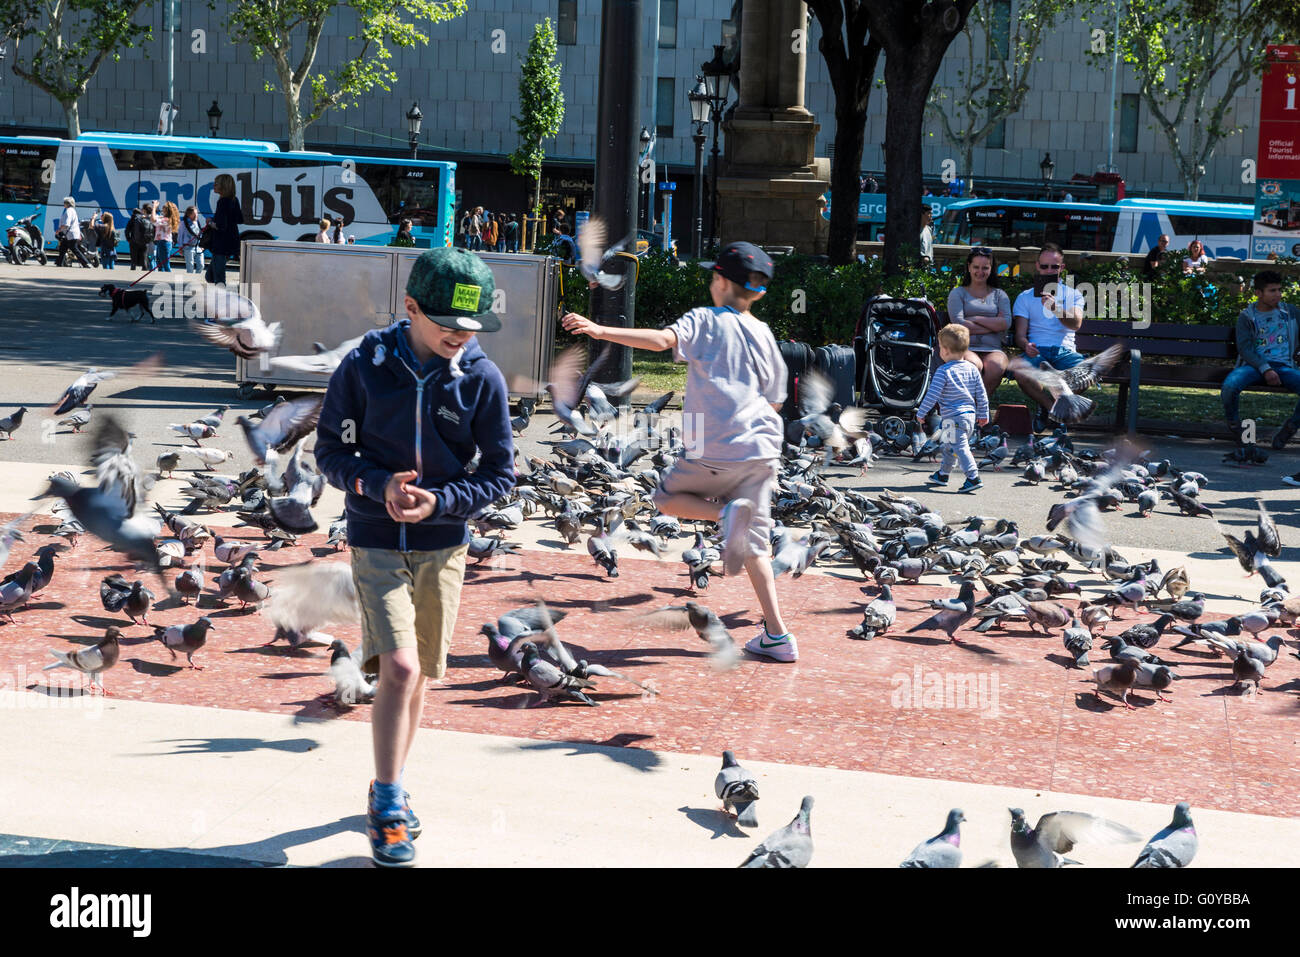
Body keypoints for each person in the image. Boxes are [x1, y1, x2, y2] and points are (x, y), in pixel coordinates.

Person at [314, 247, 514, 867]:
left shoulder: (483, 379)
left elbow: (501, 478)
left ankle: (389, 782)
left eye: (471, 327)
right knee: (398, 667)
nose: (460, 336)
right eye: (448, 324)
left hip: (443, 545)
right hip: (374, 539)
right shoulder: (364, 365)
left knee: (419, 670)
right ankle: (390, 801)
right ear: (409, 308)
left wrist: (442, 502)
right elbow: (328, 455)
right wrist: (378, 487)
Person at [561, 241, 798, 663]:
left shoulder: (707, 319)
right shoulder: (764, 333)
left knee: (666, 499)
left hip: (716, 444)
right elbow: (777, 398)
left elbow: (660, 340)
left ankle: (725, 514)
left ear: (721, 282)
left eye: (713, 275)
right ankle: (778, 636)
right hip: (764, 448)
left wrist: (599, 330)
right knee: (755, 543)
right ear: (759, 292)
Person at [1011, 243, 1087, 432]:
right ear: (1037, 266)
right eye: (1044, 266)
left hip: (1065, 352)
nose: (1049, 271)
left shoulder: (1073, 294)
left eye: (1054, 267)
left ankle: (1050, 407)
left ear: (1062, 268)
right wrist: (1026, 345)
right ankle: (1051, 408)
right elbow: (1020, 335)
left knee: (1087, 374)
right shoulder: (1025, 297)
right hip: (1039, 350)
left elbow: (1076, 324)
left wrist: (1056, 308)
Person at [1222, 270, 1300, 450]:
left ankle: (1290, 427)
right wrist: (1265, 368)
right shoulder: (1247, 316)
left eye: (1279, 290)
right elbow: (1245, 348)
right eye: (1272, 291)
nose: (1278, 295)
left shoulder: (1290, 313)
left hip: (1284, 367)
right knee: (1230, 386)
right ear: (1258, 293)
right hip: (1253, 366)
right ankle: (1236, 428)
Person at [917, 324, 990, 493]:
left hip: (954, 418)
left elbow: (932, 395)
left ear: (946, 351)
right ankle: (943, 473)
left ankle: (973, 477)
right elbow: (981, 393)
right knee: (950, 446)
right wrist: (984, 413)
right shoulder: (972, 369)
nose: (939, 352)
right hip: (968, 417)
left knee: (960, 447)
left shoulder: (943, 371)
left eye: (940, 348)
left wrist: (922, 413)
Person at [947, 246, 1011, 399]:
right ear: (969, 267)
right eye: (976, 267)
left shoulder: (1000, 295)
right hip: (965, 347)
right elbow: (959, 325)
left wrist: (975, 319)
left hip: (993, 349)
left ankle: (977, 408)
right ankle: (969, 408)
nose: (980, 272)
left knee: (997, 367)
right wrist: (993, 325)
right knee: (974, 365)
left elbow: (1006, 323)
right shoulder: (958, 293)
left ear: (991, 269)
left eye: (985, 268)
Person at [207, 173, 243, 285]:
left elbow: (221, 226)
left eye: (216, 183)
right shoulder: (234, 200)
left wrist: (210, 222)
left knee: (219, 278)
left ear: (223, 186)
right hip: (232, 242)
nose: (214, 186)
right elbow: (240, 219)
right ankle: (218, 296)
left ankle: (221, 299)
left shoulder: (222, 202)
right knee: (209, 276)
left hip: (221, 244)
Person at [54, 197, 90, 267]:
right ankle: (59, 262)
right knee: (63, 248)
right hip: (71, 234)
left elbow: (67, 224)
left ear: (67, 203)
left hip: (70, 234)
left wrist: (59, 230)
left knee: (74, 249)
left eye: (64, 203)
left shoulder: (68, 211)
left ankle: (85, 263)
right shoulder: (73, 210)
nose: (63, 204)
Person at [178, 206, 205, 273]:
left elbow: (200, 234)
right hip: (188, 247)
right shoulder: (183, 223)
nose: (196, 215)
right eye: (194, 213)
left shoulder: (197, 222)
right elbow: (180, 236)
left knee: (201, 265)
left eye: (197, 213)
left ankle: (196, 278)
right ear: (189, 214)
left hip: (198, 247)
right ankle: (190, 281)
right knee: (190, 267)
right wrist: (180, 247)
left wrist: (202, 245)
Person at [154, 201, 178, 272]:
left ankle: (170, 280)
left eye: (163, 208)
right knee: (160, 264)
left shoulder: (167, 220)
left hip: (164, 243)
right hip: (162, 242)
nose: (162, 210)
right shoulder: (166, 218)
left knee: (165, 264)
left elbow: (153, 220)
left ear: (167, 210)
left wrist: (154, 207)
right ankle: (163, 278)